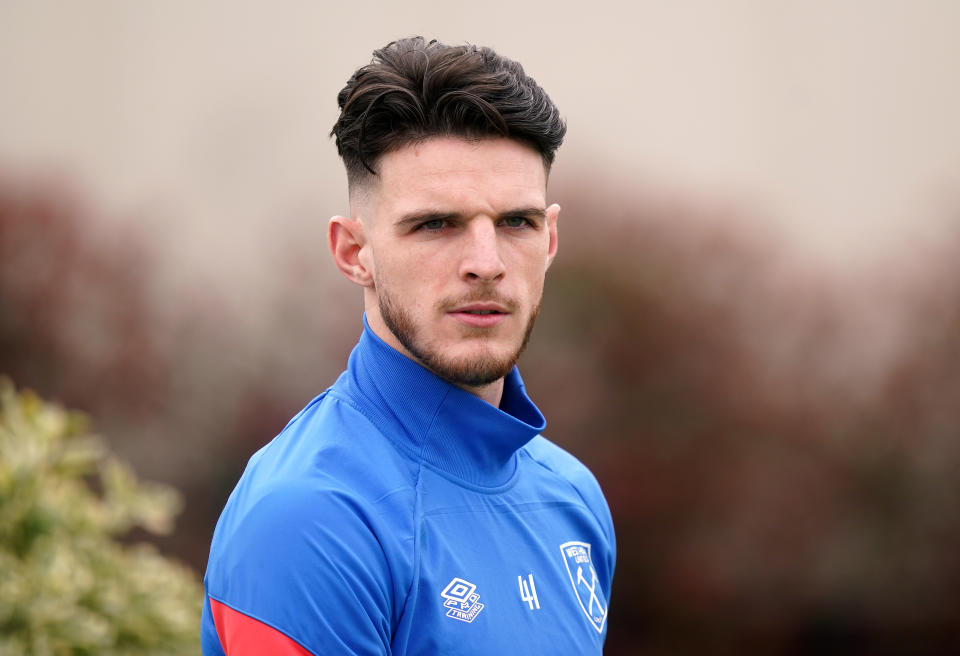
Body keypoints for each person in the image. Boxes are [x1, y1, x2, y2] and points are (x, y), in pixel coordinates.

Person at [201, 36, 615, 655]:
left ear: (550, 240)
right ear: (353, 252)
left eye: (515, 223)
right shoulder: (306, 518)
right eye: (435, 224)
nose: (486, 263)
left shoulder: (573, 496)